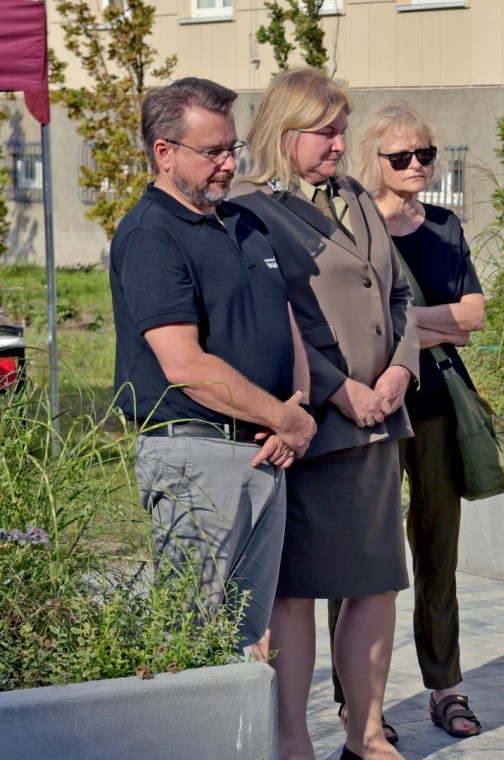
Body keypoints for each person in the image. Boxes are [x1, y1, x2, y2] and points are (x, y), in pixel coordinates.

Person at [229, 68, 418, 760]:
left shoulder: (356, 198)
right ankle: (291, 738)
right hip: (315, 428)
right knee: (295, 595)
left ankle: (366, 732)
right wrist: (342, 390)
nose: (341, 143)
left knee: (376, 582)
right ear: (285, 132)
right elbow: (275, 319)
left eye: (343, 129)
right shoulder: (251, 207)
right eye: (327, 131)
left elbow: (397, 295)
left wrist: (400, 367)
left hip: (380, 423)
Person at [109, 77, 317, 651]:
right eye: (213, 152)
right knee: (190, 636)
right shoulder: (151, 235)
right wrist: (286, 419)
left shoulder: (243, 223)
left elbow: (287, 322)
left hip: (262, 449)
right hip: (195, 455)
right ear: (164, 151)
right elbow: (184, 364)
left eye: (233, 149)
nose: (228, 165)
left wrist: (290, 415)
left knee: (241, 635)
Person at [325, 102, 485, 739]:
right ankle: (355, 701)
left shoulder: (444, 226)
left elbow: (473, 319)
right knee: (361, 555)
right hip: (370, 405)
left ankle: (445, 686)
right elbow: (339, 322)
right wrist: (434, 324)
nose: (417, 165)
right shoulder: (350, 230)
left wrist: (395, 323)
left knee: (438, 549)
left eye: (426, 154)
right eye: (401, 157)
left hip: (437, 405)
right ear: (373, 160)